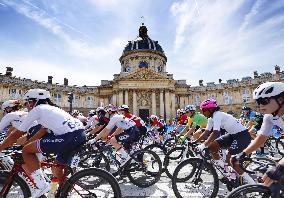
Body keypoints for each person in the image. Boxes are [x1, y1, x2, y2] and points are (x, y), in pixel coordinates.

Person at [0, 89, 86, 197]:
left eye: (28, 102)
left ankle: (42, 186)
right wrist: (27, 143)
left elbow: (16, 134)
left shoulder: (37, 110)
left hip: (69, 136)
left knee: (26, 151)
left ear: (35, 101)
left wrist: (1, 148)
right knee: (56, 168)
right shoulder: (52, 109)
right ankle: (64, 192)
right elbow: (42, 131)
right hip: (79, 135)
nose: (26, 105)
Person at [232, 82, 284, 187]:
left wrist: (280, 167)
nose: (260, 106)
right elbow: (261, 138)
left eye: (264, 101)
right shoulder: (269, 116)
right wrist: (242, 154)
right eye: (258, 102)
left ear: (281, 99)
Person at [196, 99, 254, 184]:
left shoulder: (217, 115)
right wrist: (196, 141)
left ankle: (251, 183)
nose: (203, 113)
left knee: (229, 157)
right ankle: (225, 169)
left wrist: (203, 145)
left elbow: (215, 132)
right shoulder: (211, 118)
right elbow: (207, 131)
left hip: (243, 136)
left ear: (211, 109)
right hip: (232, 135)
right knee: (212, 146)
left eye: (204, 110)